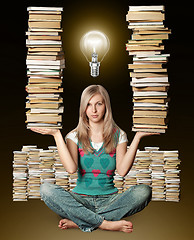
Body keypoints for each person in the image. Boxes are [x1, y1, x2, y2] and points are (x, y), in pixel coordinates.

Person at [31, 85, 159, 233]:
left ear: (106, 106)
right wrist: (56, 135)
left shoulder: (119, 135)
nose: (94, 110)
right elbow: (71, 169)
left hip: (110, 200)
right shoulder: (73, 136)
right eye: (89, 105)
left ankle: (80, 221)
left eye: (99, 104)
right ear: (83, 108)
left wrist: (138, 137)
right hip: (79, 200)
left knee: (144, 191)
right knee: (46, 189)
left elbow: (123, 171)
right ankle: (106, 224)